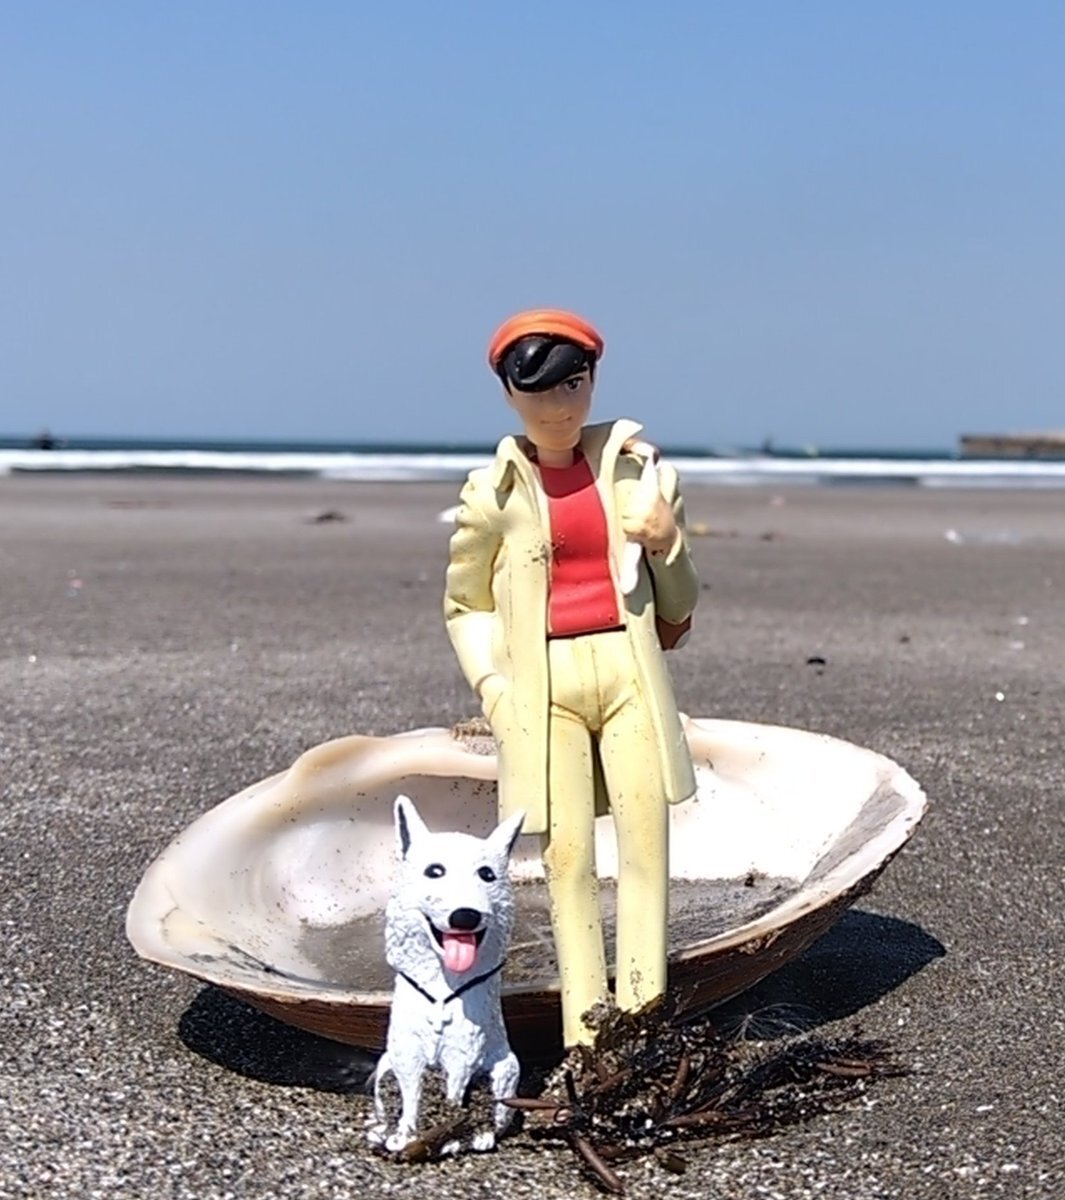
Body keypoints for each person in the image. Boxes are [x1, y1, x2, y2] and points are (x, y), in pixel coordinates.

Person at [444, 308, 699, 1047]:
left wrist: (668, 542)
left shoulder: (641, 477)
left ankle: (644, 1019)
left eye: (572, 385)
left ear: (592, 380)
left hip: (627, 668)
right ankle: (586, 1034)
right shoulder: (491, 494)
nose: (557, 407)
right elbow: (465, 602)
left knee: (646, 847)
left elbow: (680, 606)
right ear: (509, 396)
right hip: (543, 683)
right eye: (537, 392)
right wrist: (493, 688)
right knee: (567, 860)